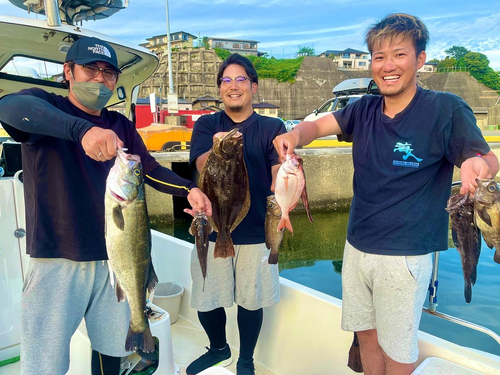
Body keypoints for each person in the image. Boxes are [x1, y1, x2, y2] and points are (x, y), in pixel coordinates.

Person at [273, 13, 499, 375]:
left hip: (405, 257)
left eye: (399, 54)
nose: (387, 65)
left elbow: (485, 156)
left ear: (420, 59)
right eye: (379, 57)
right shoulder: (362, 109)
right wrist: (294, 137)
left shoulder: (444, 109)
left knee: (398, 351)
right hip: (356, 246)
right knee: (366, 340)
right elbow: (316, 125)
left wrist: (478, 166)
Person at [0, 36, 211, 375]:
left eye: (108, 73)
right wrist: (81, 130)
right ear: (68, 71)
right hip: (58, 257)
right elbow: (8, 108)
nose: (100, 79)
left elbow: (149, 168)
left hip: (117, 261)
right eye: (90, 69)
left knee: (111, 354)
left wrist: (188, 190)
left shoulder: (120, 125)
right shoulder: (44, 105)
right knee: (44, 364)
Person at [187, 53, 286, 375]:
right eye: (226, 80)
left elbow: (277, 175)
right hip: (213, 229)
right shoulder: (206, 124)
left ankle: (246, 358)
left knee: (250, 300)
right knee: (207, 298)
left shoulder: (273, 126)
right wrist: (218, 149)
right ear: (219, 90)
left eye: (240, 79)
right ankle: (218, 348)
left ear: (253, 87)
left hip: (257, 228)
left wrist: (289, 179)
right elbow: (202, 165)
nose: (233, 86)